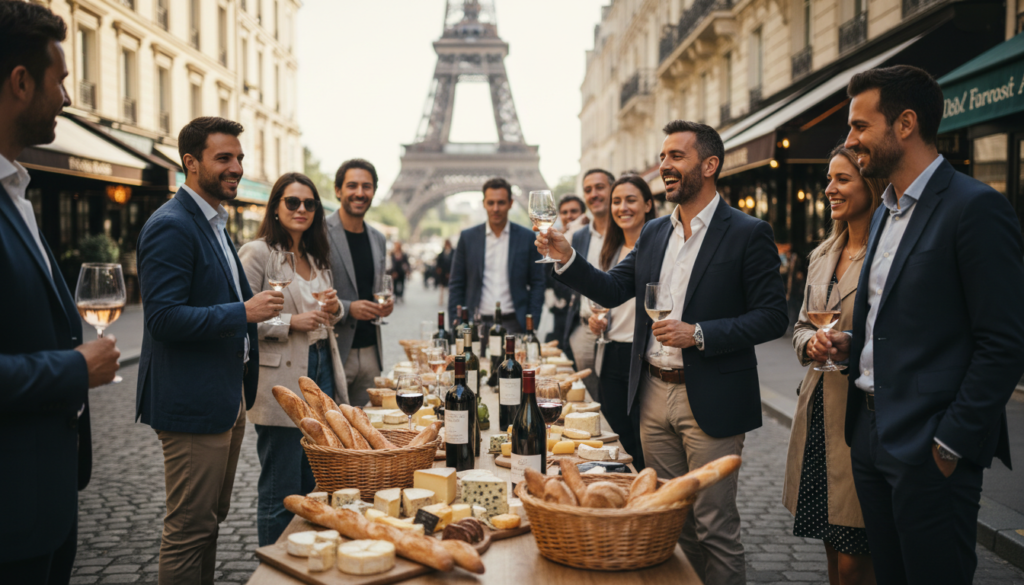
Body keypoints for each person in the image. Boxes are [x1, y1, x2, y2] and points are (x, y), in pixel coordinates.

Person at [539, 120, 789, 585]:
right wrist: (565, 258)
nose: (664, 165)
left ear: (709, 166)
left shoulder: (747, 231)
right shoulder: (655, 233)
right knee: (672, 521)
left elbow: (773, 316)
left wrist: (699, 333)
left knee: (715, 526)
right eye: (663, 156)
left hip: (711, 397)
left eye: (677, 156)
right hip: (653, 393)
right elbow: (612, 288)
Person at [814, 65, 1024, 585]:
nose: (850, 140)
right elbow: (896, 320)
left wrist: (949, 444)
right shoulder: (885, 212)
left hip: (930, 447)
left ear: (905, 123)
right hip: (868, 437)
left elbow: (1004, 342)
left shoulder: (976, 207)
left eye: (860, 126)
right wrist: (850, 344)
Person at [0, 4, 121, 582]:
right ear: (21, 82)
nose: (68, 98)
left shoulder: (16, 190)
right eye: (62, 79)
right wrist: (75, 367)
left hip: (44, 505)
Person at [136, 116, 284, 585]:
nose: (236, 167)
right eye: (224, 158)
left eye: (239, 157)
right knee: (188, 530)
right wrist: (243, 312)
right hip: (192, 403)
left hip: (223, 396)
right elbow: (163, 319)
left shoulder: (214, 221)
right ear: (191, 162)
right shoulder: (172, 225)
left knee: (208, 522)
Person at [783, 147, 883, 585]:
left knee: (854, 556)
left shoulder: (887, 252)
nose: (829, 189)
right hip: (818, 409)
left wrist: (850, 344)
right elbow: (802, 326)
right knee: (830, 541)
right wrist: (810, 344)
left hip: (861, 416)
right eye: (829, 179)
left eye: (842, 179)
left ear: (871, 185)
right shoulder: (823, 253)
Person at [238, 173, 347, 547]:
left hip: (320, 368)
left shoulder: (315, 256)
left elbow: (327, 317)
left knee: (314, 479)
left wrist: (333, 309)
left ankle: (304, 556)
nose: (302, 209)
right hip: (280, 379)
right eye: (292, 202)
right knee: (280, 485)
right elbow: (240, 316)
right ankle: (274, 563)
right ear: (275, 207)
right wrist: (291, 322)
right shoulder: (257, 253)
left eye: (309, 203)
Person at [586, 174, 656, 471]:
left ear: (648, 205)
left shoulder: (659, 249)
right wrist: (595, 321)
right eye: (616, 201)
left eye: (630, 200)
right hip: (612, 351)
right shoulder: (610, 249)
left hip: (644, 354)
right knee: (616, 435)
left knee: (644, 438)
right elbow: (600, 297)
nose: (622, 207)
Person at [325, 158, 393, 408]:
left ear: (374, 191)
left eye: (367, 186)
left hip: (372, 351)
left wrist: (387, 304)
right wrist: (348, 308)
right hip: (334, 349)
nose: (360, 193)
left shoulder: (378, 238)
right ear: (338, 190)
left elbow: (378, 286)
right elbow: (309, 289)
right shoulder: (319, 232)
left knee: (367, 426)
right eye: (352, 185)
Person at [448, 177, 545, 334]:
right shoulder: (467, 238)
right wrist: (456, 322)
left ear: (510, 203)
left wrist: (532, 322)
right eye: (491, 203)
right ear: (483, 204)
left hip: (515, 323)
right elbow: (456, 283)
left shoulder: (527, 237)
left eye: (501, 202)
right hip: (475, 324)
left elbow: (537, 283)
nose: (495, 208)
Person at [563, 169, 614, 399]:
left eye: (600, 187)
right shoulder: (580, 235)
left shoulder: (627, 233)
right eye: (588, 190)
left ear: (613, 189)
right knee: (588, 400)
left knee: (615, 401)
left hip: (618, 332)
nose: (594, 194)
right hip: (584, 330)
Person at [545, 194, 587, 345]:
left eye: (574, 211)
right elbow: (547, 274)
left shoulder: (589, 238)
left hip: (584, 314)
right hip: (562, 313)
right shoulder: (554, 240)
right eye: (564, 212)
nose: (569, 216)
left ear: (583, 214)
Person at [436, 239, 453, 304]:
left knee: (450, 288)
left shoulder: (453, 252)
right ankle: (441, 300)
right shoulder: (442, 253)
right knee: (442, 287)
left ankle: (450, 301)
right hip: (443, 273)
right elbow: (439, 262)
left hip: (450, 272)